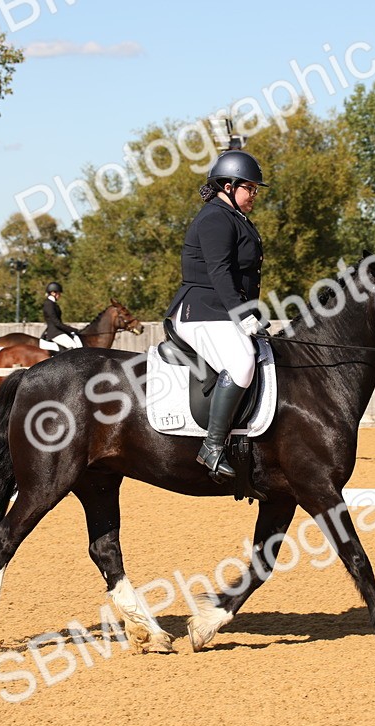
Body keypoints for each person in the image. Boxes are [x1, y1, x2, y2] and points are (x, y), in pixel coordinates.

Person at [164, 149, 267, 480]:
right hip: (200, 310)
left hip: (218, 311)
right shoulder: (215, 218)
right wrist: (241, 313)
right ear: (228, 185)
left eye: (254, 189)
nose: (253, 194)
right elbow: (220, 272)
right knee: (242, 363)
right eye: (249, 187)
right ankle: (212, 446)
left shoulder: (234, 217)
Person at [42, 282, 83, 350]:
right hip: (55, 332)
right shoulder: (49, 304)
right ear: (53, 293)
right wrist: (72, 329)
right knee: (73, 346)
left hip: (58, 331)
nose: (60, 295)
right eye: (58, 293)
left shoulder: (53, 303)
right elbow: (56, 322)